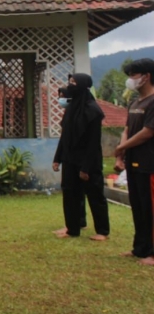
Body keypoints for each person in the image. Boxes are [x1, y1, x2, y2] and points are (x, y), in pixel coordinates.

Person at [52, 75, 109, 241]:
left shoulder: (93, 111)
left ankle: (102, 231)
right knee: (70, 194)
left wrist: (86, 167)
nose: (70, 86)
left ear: (83, 86)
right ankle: (72, 228)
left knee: (95, 195)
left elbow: (93, 143)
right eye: (69, 83)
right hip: (70, 159)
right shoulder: (71, 109)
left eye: (74, 83)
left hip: (88, 161)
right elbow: (65, 137)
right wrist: (58, 158)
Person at [114, 58, 154, 266]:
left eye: (133, 75)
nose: (130, 80)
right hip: (134, 163)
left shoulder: (153, 101)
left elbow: (148, 132)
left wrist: (122, 147)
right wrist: (121, 154)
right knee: (138, 207)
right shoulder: (134, 103)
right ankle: (140, 248)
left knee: (151, 207)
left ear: (146, 77)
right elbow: (127, 129)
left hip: (150, 163)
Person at [52, 86, 87, 235]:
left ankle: (75, 224)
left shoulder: (82, 114)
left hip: (77, 159)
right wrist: (57, 159)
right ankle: (76, 222)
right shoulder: (68, 114)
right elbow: (63, 140)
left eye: (63, 96)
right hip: (67, 158)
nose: (61, 99)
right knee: (73, 192)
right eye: (59, 96)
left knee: (75, 192)